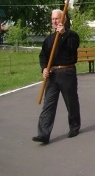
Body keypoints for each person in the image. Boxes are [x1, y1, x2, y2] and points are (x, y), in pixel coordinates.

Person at [32, 9, 81, 144]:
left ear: (63, 20)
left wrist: (63, 34)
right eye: (53, 19)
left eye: (57, 19)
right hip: (52, 75)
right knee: (48, 104)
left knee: (71, 102)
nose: (54, 21)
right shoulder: (49, 39)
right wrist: (44, 68)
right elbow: (43, 55)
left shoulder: (72, 35)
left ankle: (74, 127)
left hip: (67, 72)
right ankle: (43, 134)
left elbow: (73, 47)